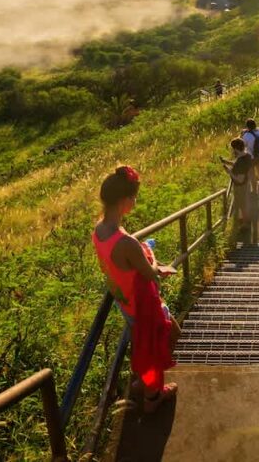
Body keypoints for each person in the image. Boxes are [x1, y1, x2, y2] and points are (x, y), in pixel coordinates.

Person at [92, 166, 180, 414]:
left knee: (147, 344)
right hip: (142, 304)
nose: (135, 201)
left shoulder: (99, 230)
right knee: (158, 344)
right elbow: (150, 272)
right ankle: (153, 396)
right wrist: (150, 254)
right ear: (123, 201)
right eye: (133, 197)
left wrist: (140, 254)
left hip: (126, 302)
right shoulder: (126, 242)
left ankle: (145, 382)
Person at [221, 138, 252, 225]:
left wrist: (229, 172)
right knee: (244, 203)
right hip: (246, 183)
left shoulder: (241, 162)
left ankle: (245, 224)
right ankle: (244, 220)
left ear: (236, 149)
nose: (232, 151)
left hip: (240, 186)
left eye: (232, 149)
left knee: (242, 204)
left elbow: (239, 179)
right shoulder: (247, 156)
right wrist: (226, 162)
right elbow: (237, 164)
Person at [241, 118, 259, 192]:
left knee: (252, 173)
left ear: (247, 126)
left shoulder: (246, 135)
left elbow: (243, 145)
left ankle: (254, 190)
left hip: (251, 157)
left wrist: (243, 134)